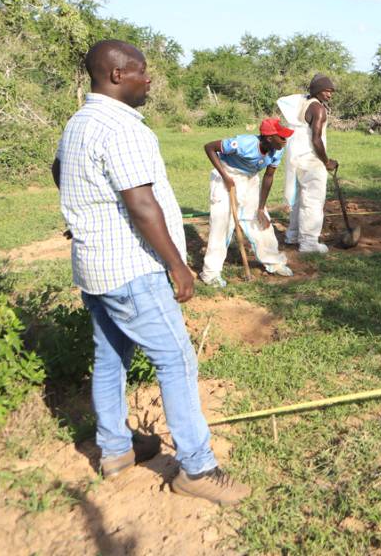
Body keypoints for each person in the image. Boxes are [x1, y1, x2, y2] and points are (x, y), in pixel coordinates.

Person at [53, 40, 249, 505]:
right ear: (117, 75)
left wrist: (86, 213)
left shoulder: (80, 121)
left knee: (110, 356)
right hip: (132, 269)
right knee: (176, 360)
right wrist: (178, 265)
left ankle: (116, 450)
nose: (149, 79)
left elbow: (60, 171)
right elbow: (142, 205)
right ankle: (197, 469)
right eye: (142, 71)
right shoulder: (122, 128)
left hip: (95, 266)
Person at [199, 118, 295, 287]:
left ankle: (273, 261)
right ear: (269, 138)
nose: (285, 140)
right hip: (226, 175)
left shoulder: (277, 150)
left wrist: (260, 208)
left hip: (250, 179)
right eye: (281, 137)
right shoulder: (244, 143)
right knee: (222, 224)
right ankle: (211, 273)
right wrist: (225, 176)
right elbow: (209, 147)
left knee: (261, 221)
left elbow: (269, 176)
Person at [277, 74, 338, 253]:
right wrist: (326, 161)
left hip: (298, 159)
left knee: (300, 199)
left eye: (331, 91)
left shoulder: (303, 102)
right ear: (318, 90)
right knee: (313, 201)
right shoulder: (318, 109)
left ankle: (293, 235)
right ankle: (309, 243)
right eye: (326, 91)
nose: (329, 95)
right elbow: (316, 139)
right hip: (311, 160)